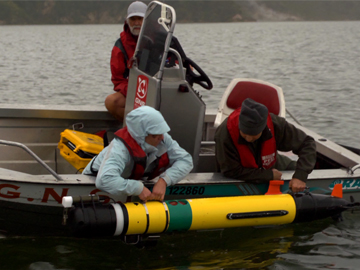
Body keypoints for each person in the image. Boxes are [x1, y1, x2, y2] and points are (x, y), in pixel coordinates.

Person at [83, 105, 193, 202]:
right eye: (154, 135)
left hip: (131, 182)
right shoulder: (120, 148)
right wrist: (137, 188)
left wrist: (164, 180)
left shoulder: (163, 138)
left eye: (161, 132)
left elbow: (186, 160)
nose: (161, 138)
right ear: (141, 135)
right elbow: (104, 180)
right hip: (94, 183)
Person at [214, 98, 316, 193]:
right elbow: (231, 171)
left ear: (263, 129)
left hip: (270, 162)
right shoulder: (224, 134)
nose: (249, 139)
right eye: (244, 134)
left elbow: (307, 143)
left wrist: (300, 176)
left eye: (254, 135)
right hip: (240, 171)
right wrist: (269, 175)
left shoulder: (276, 125)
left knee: (302, 168)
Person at [105, 1, 147, 121]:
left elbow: (179, 66)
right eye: (133, 19)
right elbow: (118, 80)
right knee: (111, 102)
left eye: (140, 18)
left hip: (161, 91)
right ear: (127, 21)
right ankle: (136, 127)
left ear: (147, 20)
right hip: (135, 92)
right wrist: (137, 93)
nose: (136, 23)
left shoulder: (162, 40)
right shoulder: (120, 46)